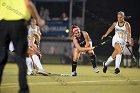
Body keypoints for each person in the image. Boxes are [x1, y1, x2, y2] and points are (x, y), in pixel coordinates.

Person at [0, 0, 45, 93]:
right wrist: (39, 19)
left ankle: (32, 70)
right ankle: (23, 90)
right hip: (18, 25)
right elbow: (28, 4)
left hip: (2, 25)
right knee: (21, 58)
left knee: (1, 58)